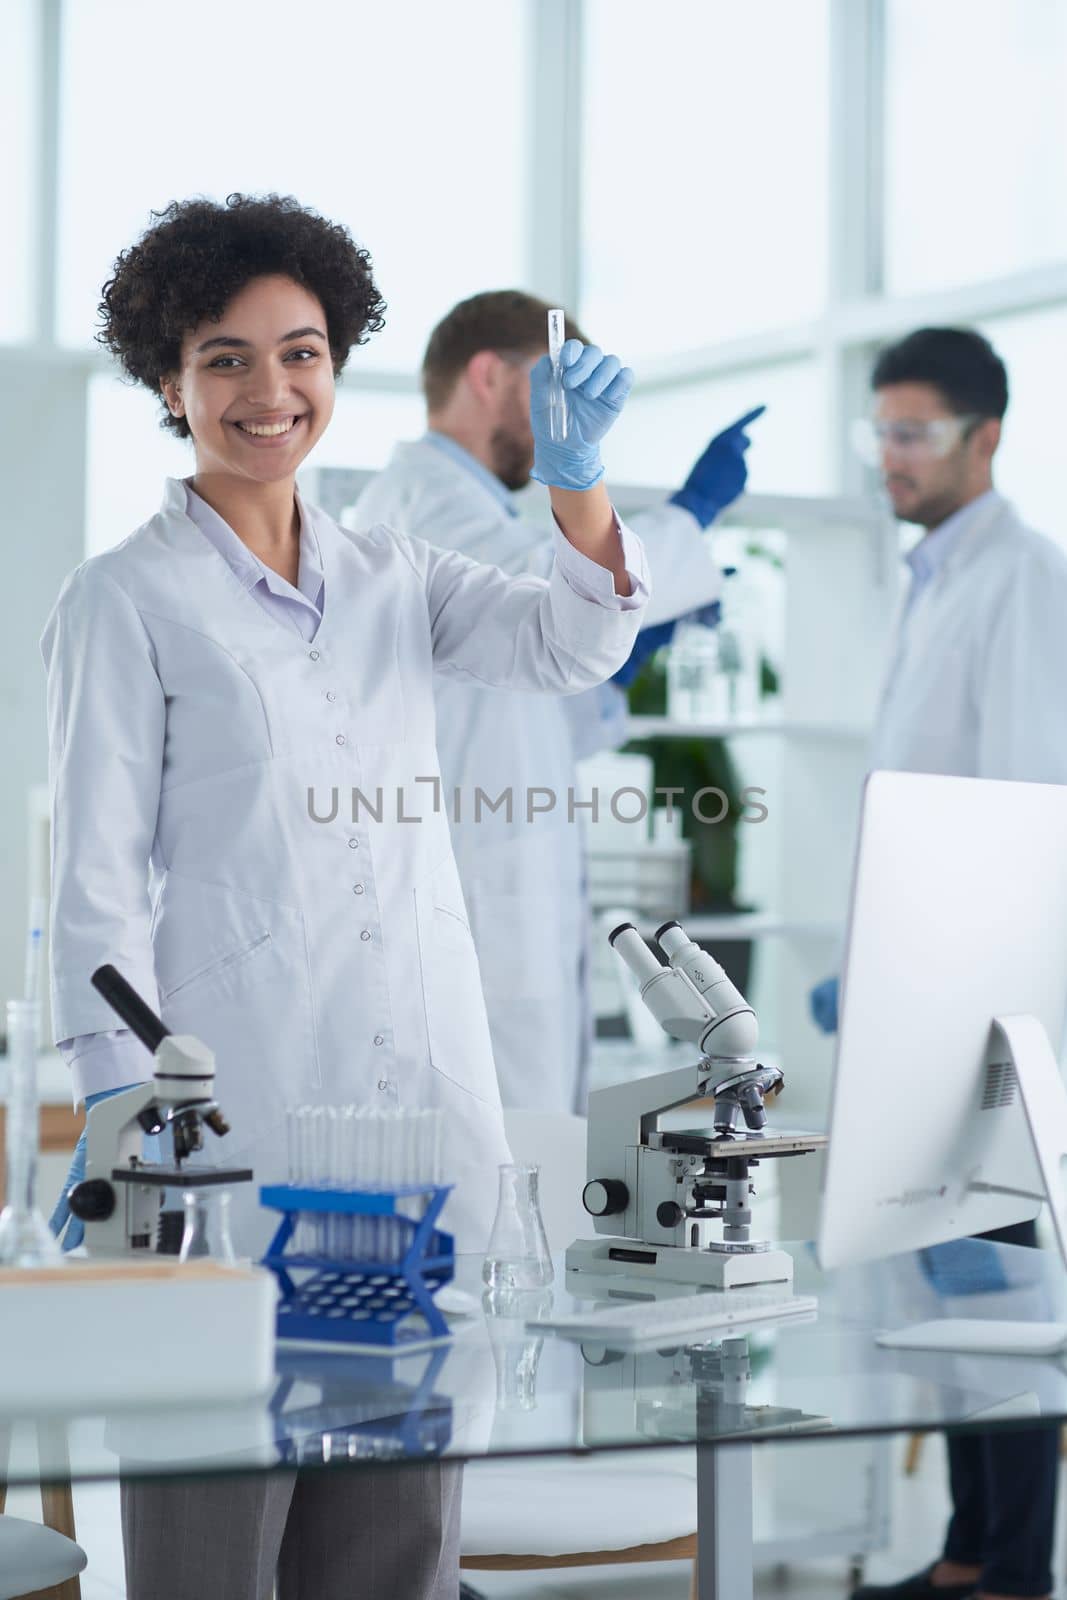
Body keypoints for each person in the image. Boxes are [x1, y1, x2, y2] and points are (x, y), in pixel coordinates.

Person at [42, 194, 648, 1600]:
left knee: (394, 1549)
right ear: (169, 379)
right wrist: (128, 1120)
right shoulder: (127, 598)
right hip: (232, 1126)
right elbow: (91, 892)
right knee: (216, 1544)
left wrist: (575, 481)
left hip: (410, 1127)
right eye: (227, 358)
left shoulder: (391, 570)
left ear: (339, 362)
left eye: (300, 352)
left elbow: (569, 645)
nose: (271, 391)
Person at [353, 289, 762, 1111]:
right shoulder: (422, 500)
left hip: (505, 884)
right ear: (488, 376)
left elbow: (524, 694)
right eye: (554, 387)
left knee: (531, 1160)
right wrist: (690, 514)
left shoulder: (467, 506)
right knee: (491, 1169)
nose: (568, 414)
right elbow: (545, 587)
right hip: (469, 899)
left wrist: (629, 649)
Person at [811, 326, 1067, 1600]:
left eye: (913, 432)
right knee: (952, 1307)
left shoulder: (1019, 576)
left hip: (983, 1016)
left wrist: (957, 999)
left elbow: (1019, 800)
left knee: (1004, 1301)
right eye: (882, 430)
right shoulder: (933, 577)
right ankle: (968, 1551)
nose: (890, 456)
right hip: (925, 1001)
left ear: (987, 436)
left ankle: (1008, 1567)